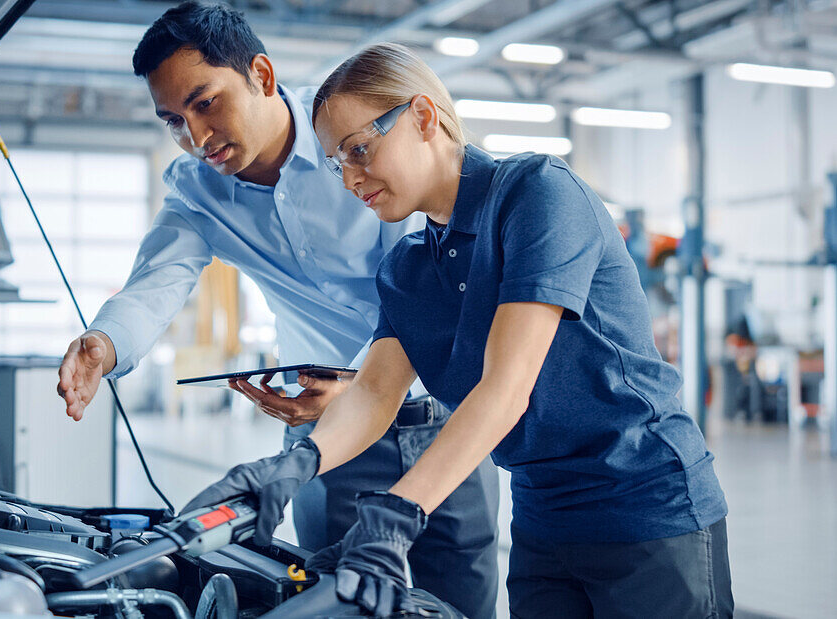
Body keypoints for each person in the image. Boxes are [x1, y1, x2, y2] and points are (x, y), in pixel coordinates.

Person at [185, 42, 733, 618]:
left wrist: (397, 513)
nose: (349, 178)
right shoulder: (410, 266)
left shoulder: (537, 195)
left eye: (359, 149)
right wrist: (292, 465)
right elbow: (374, 393)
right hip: (543, 520)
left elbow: (504, 389)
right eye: (335, 162)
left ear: (423, 117)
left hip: (644, 507)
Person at [55, 5, 500, 617]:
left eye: (205, 102)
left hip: (441, 418)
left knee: (460, 604)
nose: (196, 137)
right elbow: (159, 278)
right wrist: (104, 342)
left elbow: (421, 284)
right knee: (335, 603)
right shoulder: (198, 189)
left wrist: (361, 383)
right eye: (173, 121)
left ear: (261, 74)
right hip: (326, 437)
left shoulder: (360, 140)